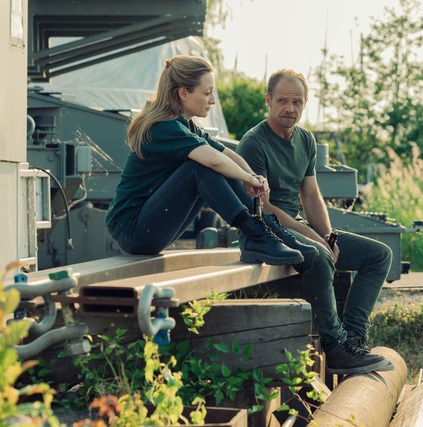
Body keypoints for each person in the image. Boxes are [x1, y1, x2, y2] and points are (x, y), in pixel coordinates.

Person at [237, 69, 394, 375]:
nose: (289, 108)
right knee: (320, 254)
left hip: (294, 226)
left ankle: (354, 340)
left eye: (297, 102)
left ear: (305, 104)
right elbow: (265, 207)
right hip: (263, 229)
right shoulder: (254, 143)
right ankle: (335, 347)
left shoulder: (305, 140)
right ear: (268, 100)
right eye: (282, 100)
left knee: (379, 255)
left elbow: (310, 196)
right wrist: (318, 241)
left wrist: (329, 235)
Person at [106, 55, 317, 265]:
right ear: (183, 93)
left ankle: (268, 231)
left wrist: (252, 176)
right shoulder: (163, 127)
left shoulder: (186, 126)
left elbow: (226, 155)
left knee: (219, 166)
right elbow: (214, 161)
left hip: (149, 228)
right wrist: (248, 179)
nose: (212, 100)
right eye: (207, 93)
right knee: (199, 168)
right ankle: (256, 235)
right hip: (132, 231)